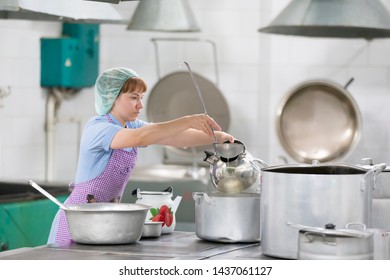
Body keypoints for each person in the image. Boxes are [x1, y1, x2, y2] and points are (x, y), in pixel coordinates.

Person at [47, 67, 234, 244]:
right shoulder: (99, 128)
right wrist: (187, 120)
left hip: (103, 223)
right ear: (113, 97)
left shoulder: (130, 125)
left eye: (141, 97)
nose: (140, 105)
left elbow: (174, 136)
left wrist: (218, 137)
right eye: (133, 97)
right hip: (77, 223)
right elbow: (142, 137)